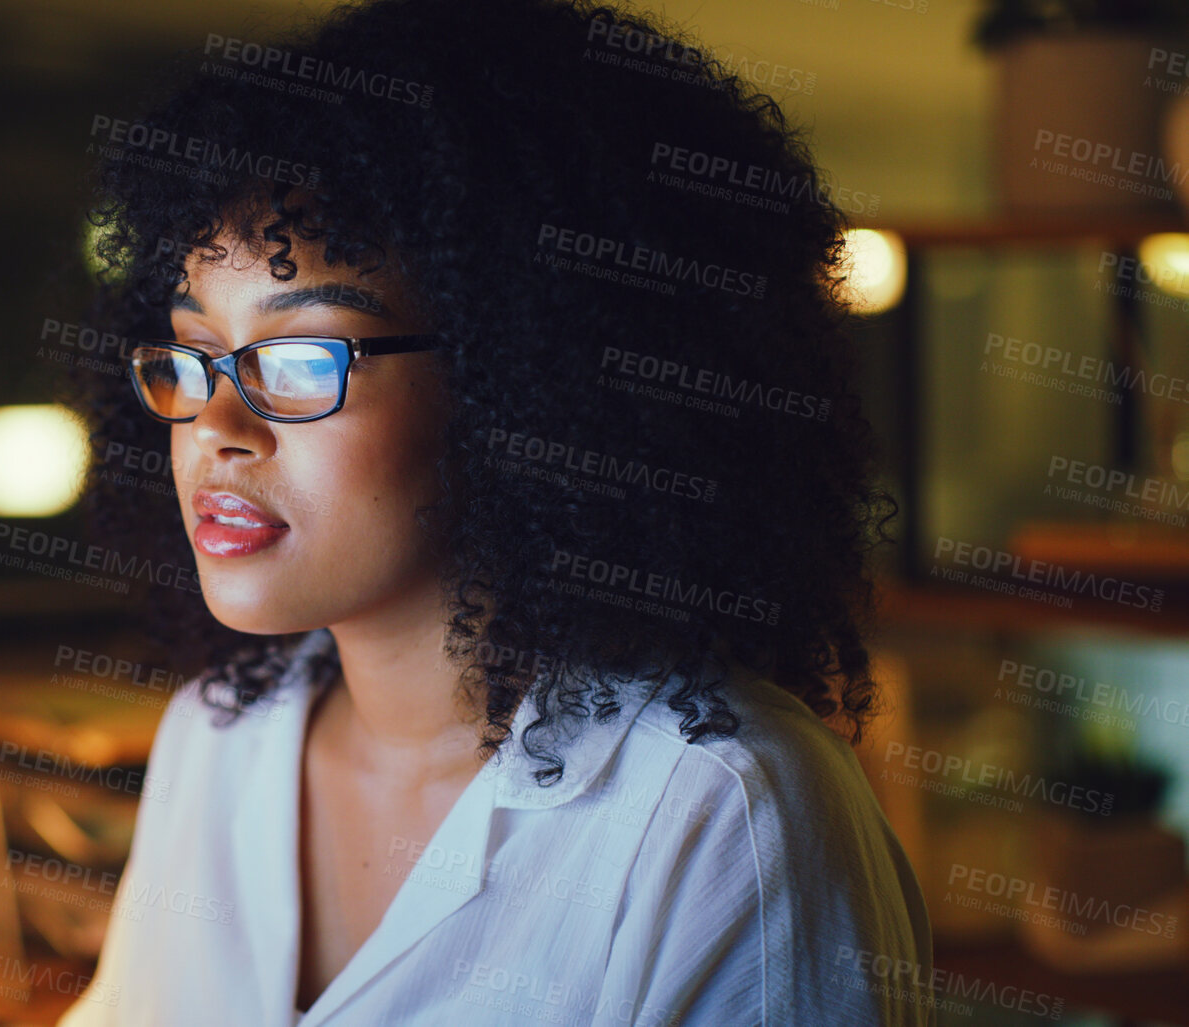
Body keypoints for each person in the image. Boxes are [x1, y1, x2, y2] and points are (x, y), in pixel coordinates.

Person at [55, 0, 930, 1022]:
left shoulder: (720, 814)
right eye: (195, 352)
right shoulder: (218, 737)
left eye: (299, 358)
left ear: (521, 384)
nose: (215, 423)